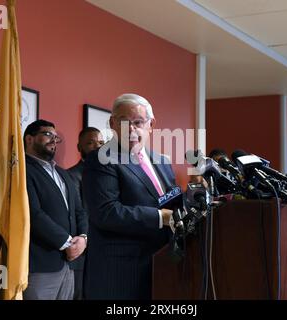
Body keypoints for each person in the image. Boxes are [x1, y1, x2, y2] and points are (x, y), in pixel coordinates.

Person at [82, 93, 175, 299]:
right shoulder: (100, 160)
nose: (131, 129)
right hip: (120, 273)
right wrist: (162, 217)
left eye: (138, 122)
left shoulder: (161, 161)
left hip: (161, 266)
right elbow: (107, 213)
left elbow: (170, 200)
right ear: (112, 123)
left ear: (151, 124)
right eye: (124, 122)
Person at [23, 119, 88, 300]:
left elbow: (79, 211)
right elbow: (33, 214)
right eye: (47, 135)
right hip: (41, 264)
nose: (53, 140)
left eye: (56, 137)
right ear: (29, 139)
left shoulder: (63, 173)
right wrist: (67, 243)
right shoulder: (21, 171)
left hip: (69, 264)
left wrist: (83, 238)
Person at [67, 127, 103, 300]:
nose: (97, 147)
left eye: (101, 143)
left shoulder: (109, 175)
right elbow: (77, 213)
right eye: (90, 143)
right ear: (79, 147)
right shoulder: (72, 176)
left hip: (106, 250)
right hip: (82, 253)